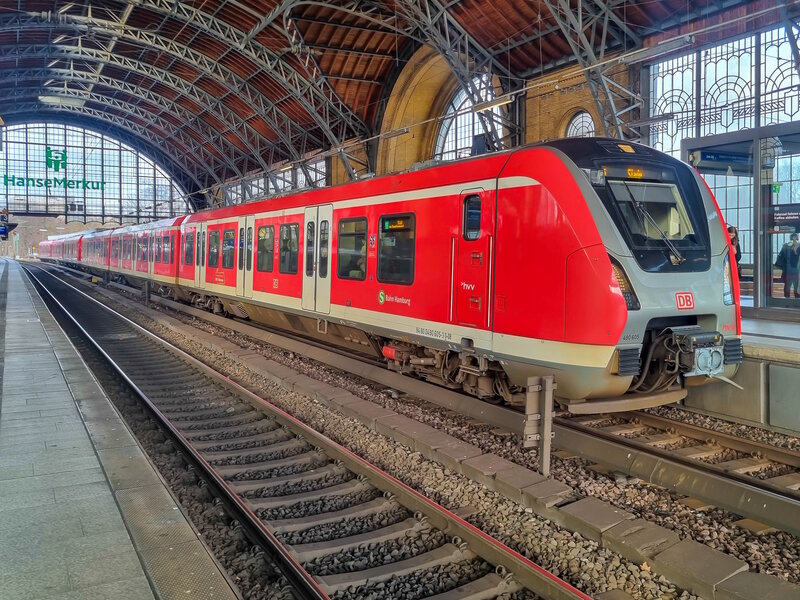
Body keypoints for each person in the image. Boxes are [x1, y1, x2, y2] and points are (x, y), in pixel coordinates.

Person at [775, 232, 800, 298]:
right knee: (796, 288)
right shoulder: (797, 246)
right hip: (796, 271)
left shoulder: (785, 246)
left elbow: (780, 258)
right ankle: (797, 301)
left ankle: (787, 300)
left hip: (788, 270)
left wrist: (782, 267)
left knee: (787, 287)